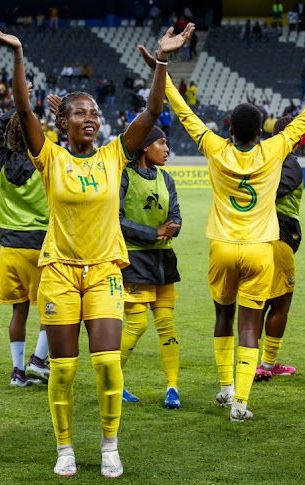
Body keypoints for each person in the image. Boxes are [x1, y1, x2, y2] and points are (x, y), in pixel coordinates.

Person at [0, 22, 194, 478]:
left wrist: (162, 60)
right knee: (62, 371)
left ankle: (109, 445)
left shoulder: (114, 154)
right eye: (78, 113)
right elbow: (22, 107)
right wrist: (19, 55)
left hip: (104, 272)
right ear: (63, 123)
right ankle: (64, 449)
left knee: (107, 367)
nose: (89, 117)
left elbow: (153, 109)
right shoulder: (50, 157)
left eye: (94, 112)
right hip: (58, 270)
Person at [141, 44, 305, 421]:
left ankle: (225, 387)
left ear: (228, 129)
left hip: (222, 247)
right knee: (249, 323)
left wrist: (162, 70)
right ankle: (241, 401)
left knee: (223, 314)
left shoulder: (214, 148)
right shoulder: (274, 151)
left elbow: (183, 112)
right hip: (260, 249)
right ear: (261, 132)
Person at [0, 104, 52, 387]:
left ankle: (18, 372)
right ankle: (38, 360)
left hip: (10, 249)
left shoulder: (1, 160)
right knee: (52, 308)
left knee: (18, 311)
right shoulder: (45, 159)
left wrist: (16, 107)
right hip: (40, 246)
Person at [117, 126, 182, 408]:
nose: (166, 149)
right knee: (138, 323)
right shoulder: (124, 177)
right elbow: (116, 219)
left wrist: (171, 229)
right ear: (144, 147)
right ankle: (113, 380)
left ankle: (172, 388)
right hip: (134, 259)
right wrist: (153, 232)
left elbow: (176, 215)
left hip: (163, 260)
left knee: (167, 325)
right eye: (161, 143)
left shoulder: (166, 179)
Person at [253, 116, 302, 382]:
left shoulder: (262, 156)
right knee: (281, 301)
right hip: (278, 239)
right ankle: (267, 363)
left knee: (258, 301)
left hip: (257, 237)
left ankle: (253, 361)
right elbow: (274, 191)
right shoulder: (289, 162)